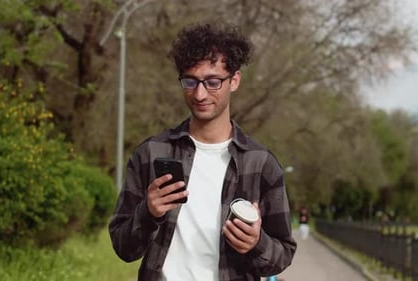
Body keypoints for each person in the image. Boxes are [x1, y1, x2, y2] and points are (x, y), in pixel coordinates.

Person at [109, 22, 296, 281]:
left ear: (235, 80)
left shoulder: (262, 164)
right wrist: (148, 213)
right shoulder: (150, 153)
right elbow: (122, 248)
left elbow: (283, 255)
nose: (199, 93)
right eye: (190, 81)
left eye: (212, 82)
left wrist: (256, 244)